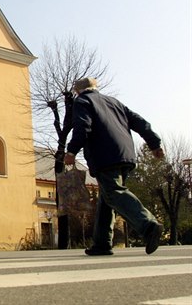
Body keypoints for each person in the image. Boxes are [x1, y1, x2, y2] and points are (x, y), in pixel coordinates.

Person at [64, 77, 164, 256]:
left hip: (105, 155)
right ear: (95, 87)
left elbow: (83, 127)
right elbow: (140, 122)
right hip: (125, 153)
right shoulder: (114, 102)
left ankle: (148, 225)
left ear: (77, 91)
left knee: (115, 192)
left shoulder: (83, 101)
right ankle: (102, 243)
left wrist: (71, 152)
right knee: (106, 198)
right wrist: (154, 143)